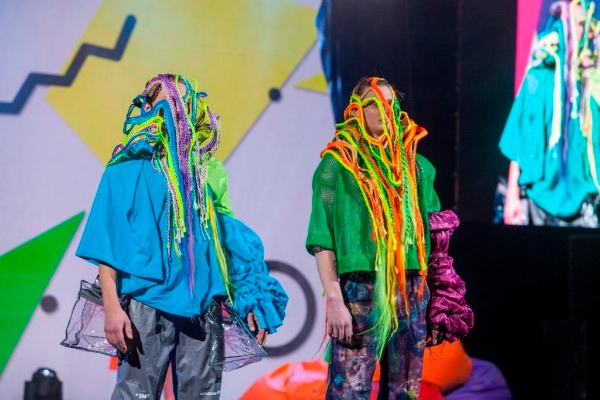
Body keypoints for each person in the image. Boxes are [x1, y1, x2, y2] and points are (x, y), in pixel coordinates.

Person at [76, 73, 288, 399]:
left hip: (203, 305)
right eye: (168, 101)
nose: (177, 109)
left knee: (202, 395)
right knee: (136, 394)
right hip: (146, 301)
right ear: (148, 108)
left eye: (183, 103)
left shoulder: (206, 169)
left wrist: (251, 299)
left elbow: (227, 239)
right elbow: (107, 243)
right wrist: (112, 307)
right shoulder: (123, 169)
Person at [306, 77, 473, 400]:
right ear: (356, 110)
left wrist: (440, 298)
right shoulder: (335, 167)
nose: (383, 110)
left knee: (405, 391)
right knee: (348, 390)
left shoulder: (418, 167)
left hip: (412, 289)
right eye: (374, 102)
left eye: (390, 103)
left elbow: (435, 238)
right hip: (360, 290)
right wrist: (335, 300)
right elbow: (322, 238)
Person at [500, 0, 600, 227]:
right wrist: (512, 194)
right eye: (578, 23)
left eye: (586, 23)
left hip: (586, 203)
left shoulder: (593, 83)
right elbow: (520, 138)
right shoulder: (538, 78)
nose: (584, 30)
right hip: (539, 202)